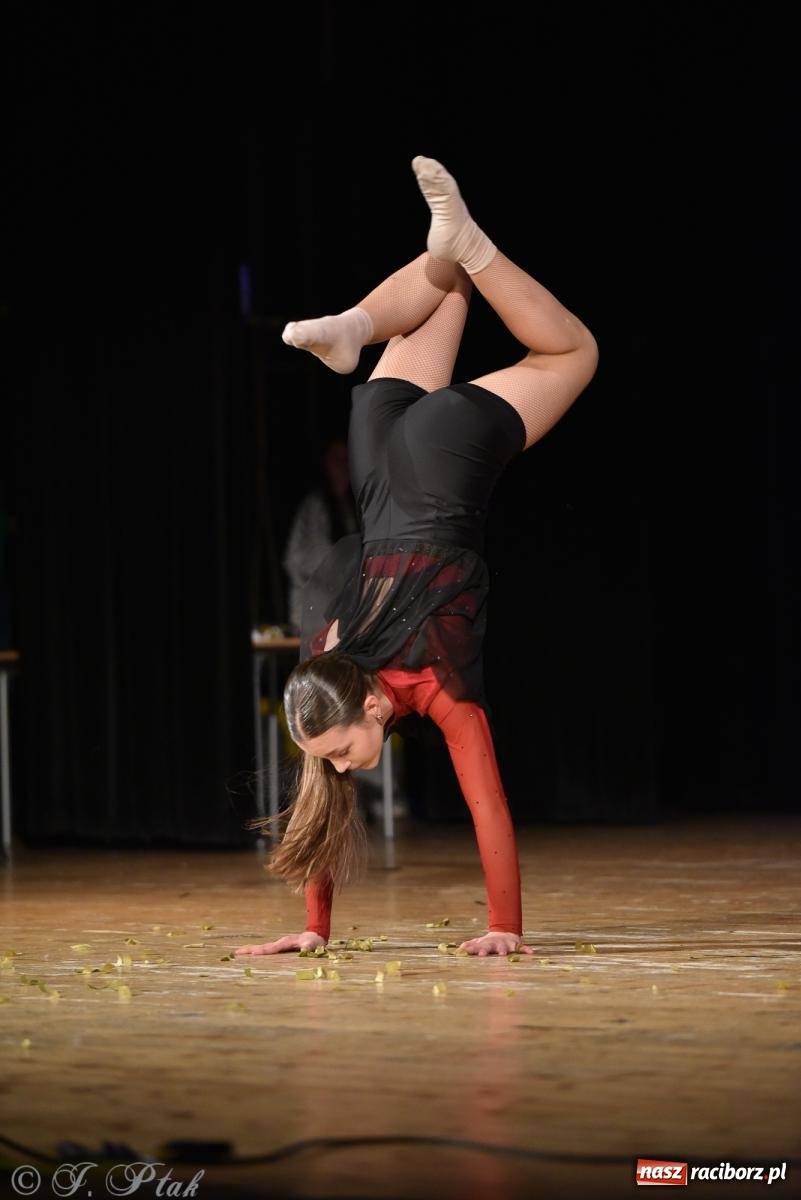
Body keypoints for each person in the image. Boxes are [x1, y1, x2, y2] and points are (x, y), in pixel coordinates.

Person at [236, 155, 598, 959]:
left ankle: (454, 256)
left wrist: (504, 926)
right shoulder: (330, 658)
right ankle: (355, 326)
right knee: (448, 276)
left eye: (337, 754)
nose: (340, 769)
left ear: (371, 709)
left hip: (440, 465)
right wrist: (313, 928)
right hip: (377, 456)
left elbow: (486, 804)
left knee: (573, 354)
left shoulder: (434, 682)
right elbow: (321, 806)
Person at [282, 436, 358, 636]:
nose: (343, 466)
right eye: (337, 459)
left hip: (345, 615)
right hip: (315, 614)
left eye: (346, 459)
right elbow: (303, 559)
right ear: (326, 463)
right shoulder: (314, 506)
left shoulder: (352, 509)